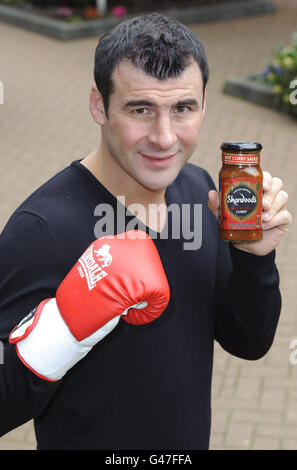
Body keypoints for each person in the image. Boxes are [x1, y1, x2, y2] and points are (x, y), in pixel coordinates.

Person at [0, 13, 292, 450]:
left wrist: (256, 260)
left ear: (204, 103)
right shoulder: (42, 229)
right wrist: (61, 330)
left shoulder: (200, 191)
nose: (164, 137)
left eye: (183, 108)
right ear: (99, 104)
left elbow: (247, 341)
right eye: (141, 110)